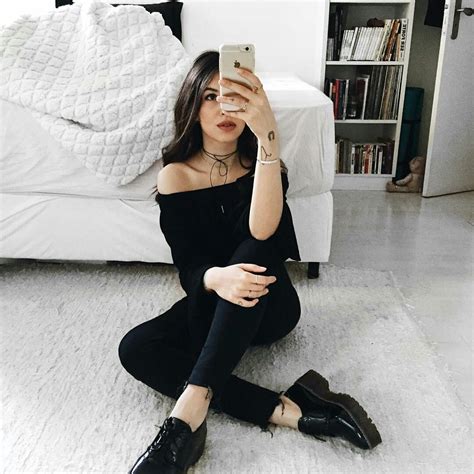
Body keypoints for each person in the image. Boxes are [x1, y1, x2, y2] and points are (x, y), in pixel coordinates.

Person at [118, 50, 381, 474]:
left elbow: (263, 235)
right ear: (191, 105)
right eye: (210, 97)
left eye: (236, 98)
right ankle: (293, 411)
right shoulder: (175, 176)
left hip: (272, 307)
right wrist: (216, 278)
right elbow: (189, 266)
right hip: (216, 303)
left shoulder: (265, 166)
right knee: (136, 348)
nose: (225, 109)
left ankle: (186, 417)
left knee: (254, 250)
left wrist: (268, 139)